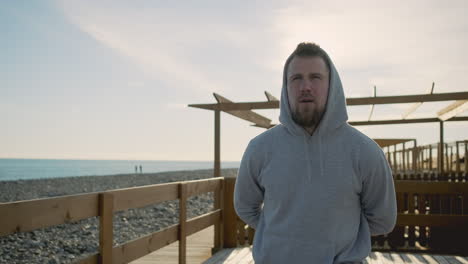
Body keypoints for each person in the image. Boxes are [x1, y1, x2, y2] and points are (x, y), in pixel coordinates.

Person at [234, 43, 397, 263]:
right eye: (296, 78)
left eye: (315, 77)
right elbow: (245, 206)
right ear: (286, 86)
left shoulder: (364, 151)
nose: (306, 86)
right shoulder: (260, 148)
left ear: (332, 85)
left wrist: (337, 236)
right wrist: (280, 234)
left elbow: (383, 220)